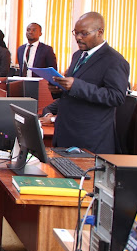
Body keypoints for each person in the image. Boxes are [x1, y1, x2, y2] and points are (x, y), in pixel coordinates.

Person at [51, 11, 130, 154]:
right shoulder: (77, 55)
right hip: (65, 132)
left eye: (84, 34)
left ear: (100, 32)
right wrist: (59, 88)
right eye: (75, 33)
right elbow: (73, 90)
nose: (78, 38)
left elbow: (117, 96)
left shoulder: (114, 60)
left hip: (89, 138)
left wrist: (76, 86)